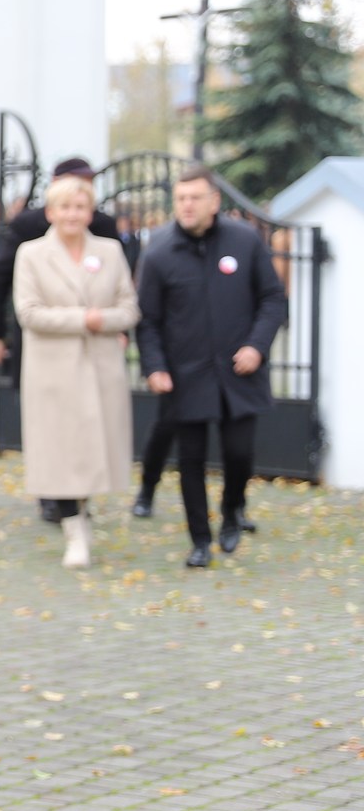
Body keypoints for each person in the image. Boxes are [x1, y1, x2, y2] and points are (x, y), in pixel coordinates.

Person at [136, 167, 288, 568]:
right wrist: (154, 366)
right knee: (190, 460)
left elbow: (273, 299)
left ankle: (233, 511)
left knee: (239, 454)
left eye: (195, 197)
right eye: (181, 198)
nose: (186, 205)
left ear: (214, 201)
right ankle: (200, 540)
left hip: (239, 371)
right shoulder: (159, 251)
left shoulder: (244, 240)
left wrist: (256, 346)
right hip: (185, 376)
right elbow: (147, 320)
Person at [0, 158, 123, 521]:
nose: (74, 210)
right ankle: (53, 495)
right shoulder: (28, 226)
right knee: (51, 421)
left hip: (94, 344)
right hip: (45, 341)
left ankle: (80, 494)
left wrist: (117, 327)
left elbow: (121, 286)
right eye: (66, 198)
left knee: (89, 420)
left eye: (82, 196)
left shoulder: (104, 228)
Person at [13, 176, 140, 569]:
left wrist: (105, 320)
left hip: (100, 367)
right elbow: (29, 312)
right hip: (53, 370)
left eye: (80, 207)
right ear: (51, 212)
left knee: (93, 451)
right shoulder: (31, 254)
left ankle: (84, 512)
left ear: (90, 212)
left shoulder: (110, 251)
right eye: (64, 207)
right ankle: (74, 531)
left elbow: (129, 307)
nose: (72, 215)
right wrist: (85, 318)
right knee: (60, 453)